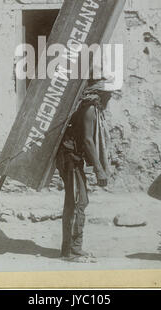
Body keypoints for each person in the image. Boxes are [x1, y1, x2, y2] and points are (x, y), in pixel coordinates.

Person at [56, 77, 115, 261]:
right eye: (108, 95)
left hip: (72, 157)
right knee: (76, 203)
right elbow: (87, 141)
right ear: (101, 94)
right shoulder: (89, 108)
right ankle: (70, 252)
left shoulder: (89, 107)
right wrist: (99, 169)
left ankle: (73, 248)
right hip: (70, 158)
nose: (110, 99)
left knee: (78, 201)